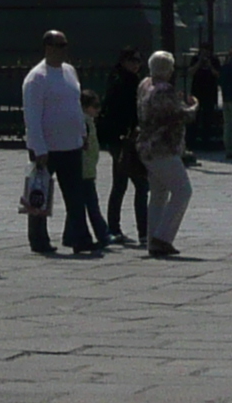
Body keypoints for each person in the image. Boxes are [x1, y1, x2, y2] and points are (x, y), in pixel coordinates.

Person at [20, 30, 100, 256]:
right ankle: (39, 240)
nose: (64, 49)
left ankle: (80, 237)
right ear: (48, 47)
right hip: (47, 147)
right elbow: (32, 116)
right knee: (39, 195)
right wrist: (38, 147)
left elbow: (75, 106)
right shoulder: (37, 78)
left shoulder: (69, 71)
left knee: (75, 195)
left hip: (71, 144)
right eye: (59, 45)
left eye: (65, 44)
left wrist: (81, 133)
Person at [137, 48, 195, 257]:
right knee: (183, 190)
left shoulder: (145, 85)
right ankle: (163, 237)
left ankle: (153, 239)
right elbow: (177, 115)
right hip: (163, 146)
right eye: (170, 67)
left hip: (146, 146)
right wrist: (193, 107)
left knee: (159, 193)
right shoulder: (163, 89)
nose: (172, 71)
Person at [96, 45, 148, 243]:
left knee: (121, 183)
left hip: (122, 138)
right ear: (124, 62)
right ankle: (141, 230)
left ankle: (115, 228)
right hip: (123, 139)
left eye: (138, 61)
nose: (136, 64)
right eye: (132, 61)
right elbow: (122, 112)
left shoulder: (122, 79)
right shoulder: (124, 82)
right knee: (139, 184)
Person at [188, 47, 223, 153]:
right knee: (195, 116)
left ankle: (206, 141)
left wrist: (210, 65)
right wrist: (199, 63)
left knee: (208, 117)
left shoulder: (214, 60)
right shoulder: (195, 59)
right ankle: (192, 140)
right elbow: (190, 72)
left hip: (210, 92)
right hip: (197, 91)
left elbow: (217, 74)